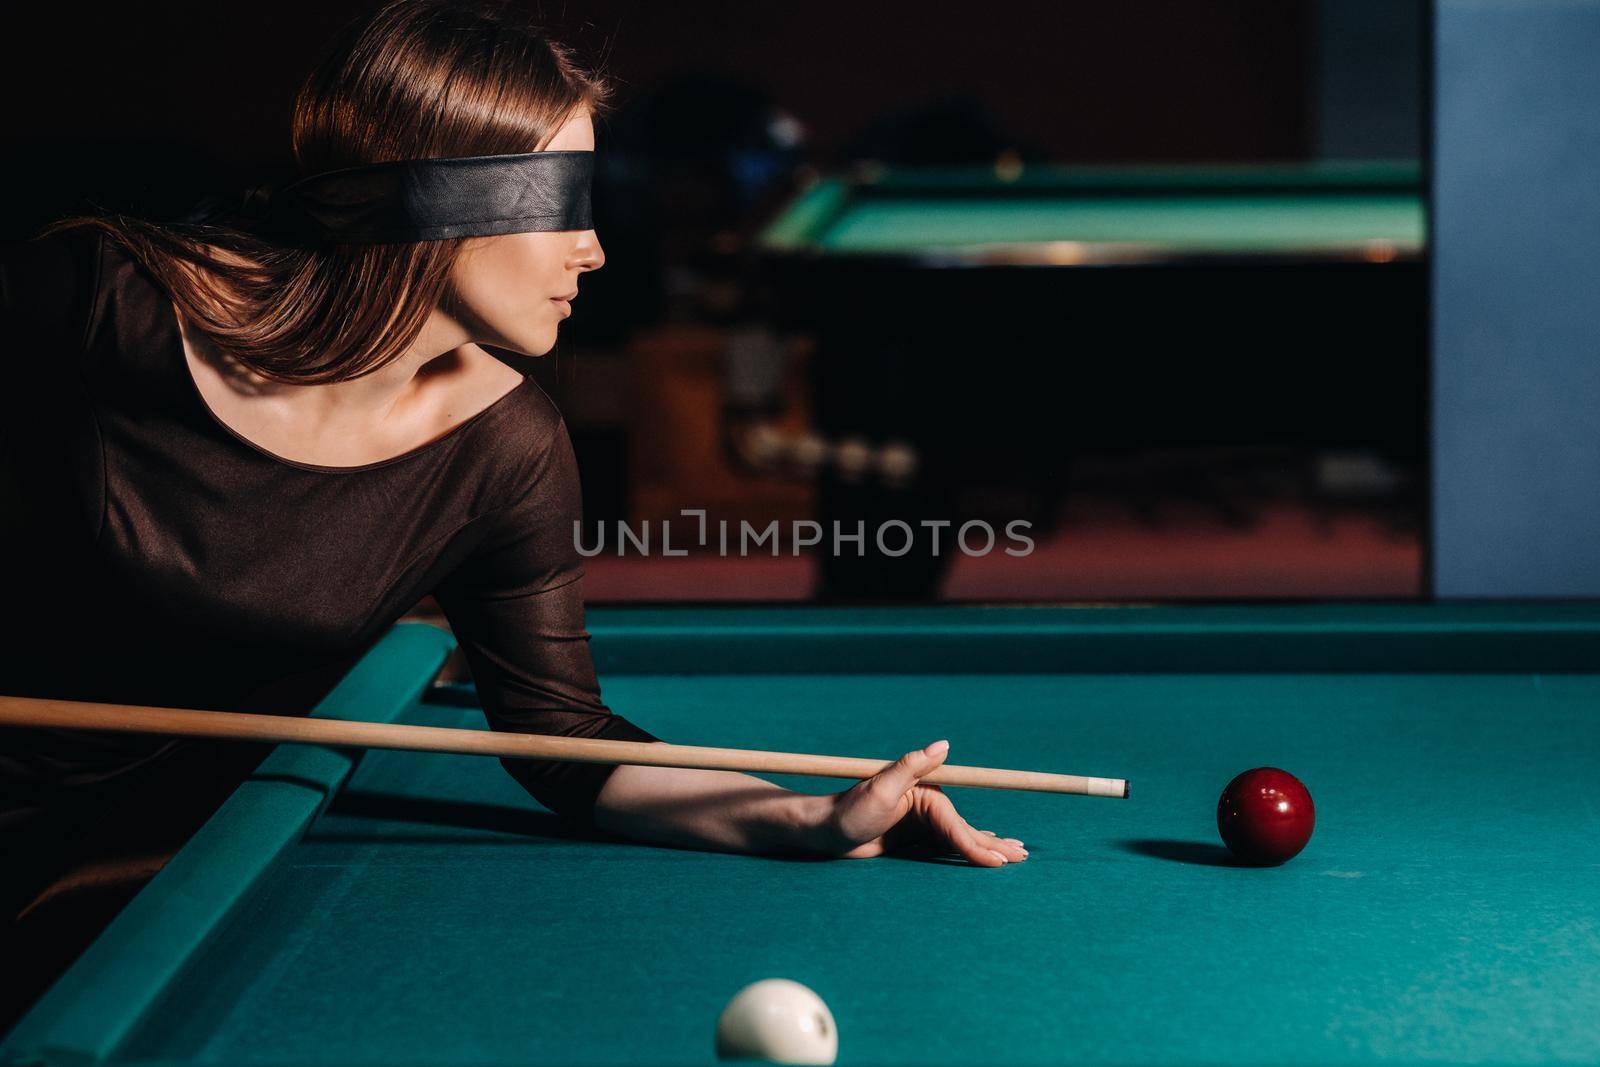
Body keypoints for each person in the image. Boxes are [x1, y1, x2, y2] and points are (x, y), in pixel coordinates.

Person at [0, 0, 1027, 1026]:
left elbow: (560, 734)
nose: (594, 251)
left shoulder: (506, 447)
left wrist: (813, 815)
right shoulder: (100, 307)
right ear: (434, 202)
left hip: (167, 846)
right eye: (560, 203)